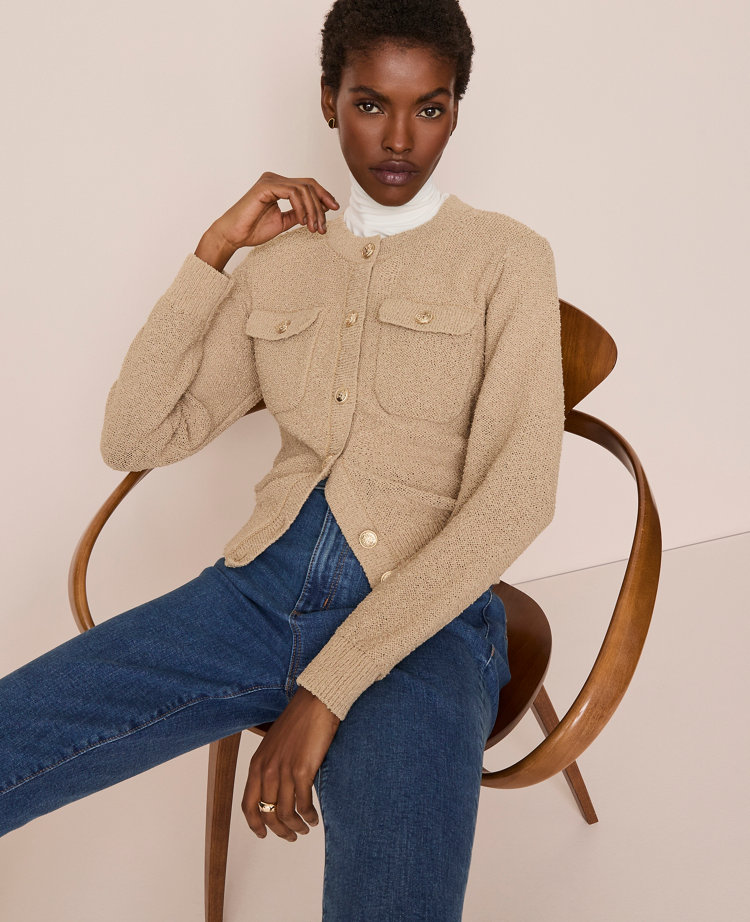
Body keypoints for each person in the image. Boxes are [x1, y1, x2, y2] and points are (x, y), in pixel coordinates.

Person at [0, 0, 566, 919]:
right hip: (256, 594)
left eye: (429, 108)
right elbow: (135, 437)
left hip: (424, 621)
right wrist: (215, 252)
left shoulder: (508, 258)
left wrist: (327, 690)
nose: (399, 139)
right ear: (328, 100)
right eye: (370, 104)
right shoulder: (281, 261)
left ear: (456, 110)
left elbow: (517, 499)